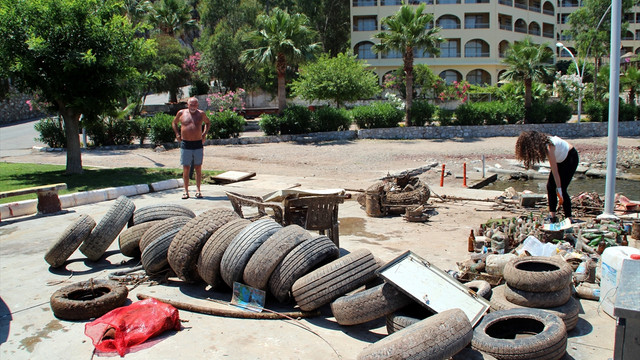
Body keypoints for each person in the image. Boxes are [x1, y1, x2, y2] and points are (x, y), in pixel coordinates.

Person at [515, 131, 579, 223]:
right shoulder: (544, 147)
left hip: (570, 157)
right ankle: (552, 216)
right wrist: (557, 187)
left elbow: (555, 171)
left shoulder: (549, 147)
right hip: (560, 159)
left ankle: (569, 218)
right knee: (550, 186)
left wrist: (559, 189)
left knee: (563, 189)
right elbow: (554, 170)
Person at [172, 97, 211, 199]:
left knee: (198, 167)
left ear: (197, 105)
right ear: (187, 104)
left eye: (195, 105)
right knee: (186, 168)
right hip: (186, 144)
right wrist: (177, 134)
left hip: (198, 143)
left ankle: (198, 190)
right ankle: (185, 191)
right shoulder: (181, 113)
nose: (193, 107)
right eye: (191, 104)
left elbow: (208, 123)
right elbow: (174, 123)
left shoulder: (201, 114)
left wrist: (204, 134)